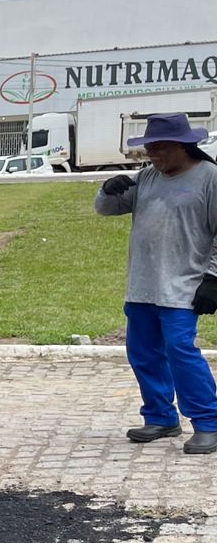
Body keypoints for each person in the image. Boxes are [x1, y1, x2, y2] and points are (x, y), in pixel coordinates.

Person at [94, 113, 217, 455]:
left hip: (184, 285)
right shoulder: (147, 178)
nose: (153, 156)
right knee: (144, 354)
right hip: (143, 284)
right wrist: (107, 190)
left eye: (160, 149)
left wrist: (214, 278)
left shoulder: (209, 178)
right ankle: (161, 416)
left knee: (181, 351)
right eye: (149, 149)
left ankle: (208, 422)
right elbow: (105, 209)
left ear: (182, 146)